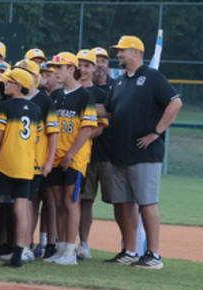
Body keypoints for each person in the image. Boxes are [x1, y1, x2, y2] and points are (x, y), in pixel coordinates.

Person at [98, 36, 182, 269]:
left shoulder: (153, 77)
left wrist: (156, 132)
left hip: (144, 152)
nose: (118, 55)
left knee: (146, 203)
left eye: (121, 51)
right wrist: (77, 105)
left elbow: (175, 103)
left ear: (136, 52)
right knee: (124, 203)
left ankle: (153, 255)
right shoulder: (119, 82)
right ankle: (130, 251)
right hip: (120, 151)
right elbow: (107, 110)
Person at [0, 69, 42, 268]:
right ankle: (17, 257)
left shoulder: (5, 107)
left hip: (7, 164)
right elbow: (38, 137)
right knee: (21, 208)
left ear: (18, 86)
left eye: (8, 82)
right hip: (26, 166)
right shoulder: (35, 109)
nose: (4, 85)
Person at [46, 52, 97, 265]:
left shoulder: (85, 96)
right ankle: (60, 248)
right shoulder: (56, 96)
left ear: (71, 69)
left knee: (70, 201)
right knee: (58, 203)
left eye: (59, 68)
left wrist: (69, 155)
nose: (55, 72)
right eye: (54, 68)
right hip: (57, 156)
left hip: (74, 158)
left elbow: (86, 130)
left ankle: (70, 251)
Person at [13, 60, 58, 263]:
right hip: (16, 159)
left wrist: (49, 160)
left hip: (35, 160)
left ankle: (26, 247)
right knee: (22, 203)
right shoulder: (13, 96)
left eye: (26, 72)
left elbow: (53, 131)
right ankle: (23, 245)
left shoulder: (44, 100)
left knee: (29, 202)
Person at [76, 49, 111, 260]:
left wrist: (81, 138)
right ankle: (82, 244)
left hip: (102, 153)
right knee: (84, 200)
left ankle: (129, 246)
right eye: (81, 65)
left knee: (119, 200)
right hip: (80, 157)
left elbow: (100, 126)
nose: (84, 69)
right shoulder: (68, 91)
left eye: (87, 65)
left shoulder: (101, 95)